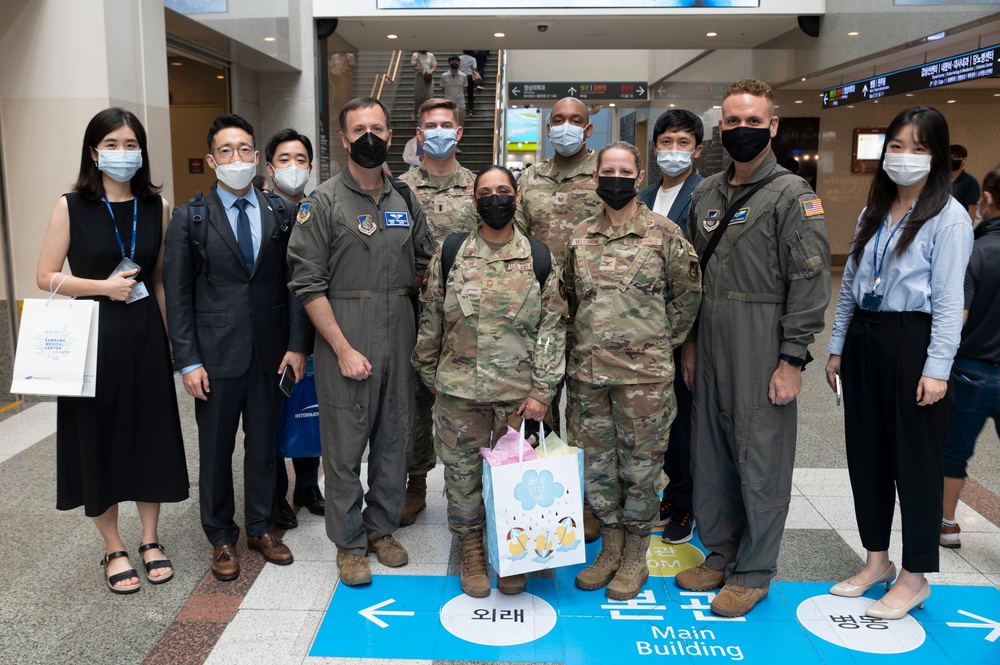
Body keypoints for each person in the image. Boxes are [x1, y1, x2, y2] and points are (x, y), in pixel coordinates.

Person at [675, 78, 831, 618]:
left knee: (760, 456)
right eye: (733, 122)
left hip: (762, 339)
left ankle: (755, 569)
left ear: (773, 125)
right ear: (721, 127)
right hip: (711, 337)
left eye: (753, 121)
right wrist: (691, 343)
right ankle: (720, 552)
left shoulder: (793, 196)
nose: (743, 130)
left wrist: (792, 359)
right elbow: (693, 276)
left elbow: (810, 284)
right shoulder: (707, 193)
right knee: (712, 450)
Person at [824, 106, 972, 620]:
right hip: (866, 337)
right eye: (897, 146)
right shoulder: (873, 213)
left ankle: (915, 578)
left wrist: (937, 369)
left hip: (915, 342)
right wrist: (838, 345)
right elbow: (849, 288)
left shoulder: (949, 219)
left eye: (919, 148)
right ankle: (877, 561)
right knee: (867, 457)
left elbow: (950, 303)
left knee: (915, 465)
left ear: (937, 156)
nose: (905, 157)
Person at [36, 107, 189, 594]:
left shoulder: (157, 207)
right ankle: (113, 546)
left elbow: (161, 279)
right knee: (96, 438)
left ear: (141, 151)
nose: (122, 154)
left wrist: (171, 343)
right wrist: (100, 287)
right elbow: (45, 276)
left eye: (130, 145)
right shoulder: (70, 206)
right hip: (91, 338)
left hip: (144, 336)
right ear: (93, 151)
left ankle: (149, 539)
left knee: (149, 436)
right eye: (112, 144)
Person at [287, 97, 435, 586]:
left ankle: (381, 530)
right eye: (359, 129)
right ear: (345, 139)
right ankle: (349, 544)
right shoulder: (322, 202)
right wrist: (344, 348)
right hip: (345, 330)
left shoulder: (405, 198)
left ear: (392, 136)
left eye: (377, 128)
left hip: (401, 327)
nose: (369, 136)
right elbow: (308, 284)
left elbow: (423, 260)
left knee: (395, 439)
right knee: (345, 447)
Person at [163, 113, 311, 582]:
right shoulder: (190, 217)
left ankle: (262, 527)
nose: (237, 158)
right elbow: (178, 293)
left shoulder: (280, 212)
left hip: (271, 354)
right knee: (216, 450)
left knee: (264, 447)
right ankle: (221, 537)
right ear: (211, 160)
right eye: (226, 151)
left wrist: (297, 346)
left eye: (245, 149)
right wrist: (187, 360)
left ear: (256, 158)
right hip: (215, 358)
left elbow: (294, 285)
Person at [412, 164, 567, 598]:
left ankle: (511, 551)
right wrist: (429, 373)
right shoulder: (452, 251)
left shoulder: (539, 256)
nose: (494, 198)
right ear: (474, 199)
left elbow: (552, 329)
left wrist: (542, 391)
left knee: (515, 480)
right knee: (462, 477)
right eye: (485, 191)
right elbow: (431, 316)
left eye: (503, 190)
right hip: (458, 392)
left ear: (516, 198)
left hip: (519, 398)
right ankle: (473, 549)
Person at [565, 141, 702, 601]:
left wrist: (660, 343)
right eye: (609, 170)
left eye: (626, 171)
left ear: (639, 178)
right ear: (596, 178)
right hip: (587, 378)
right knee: (598, 469)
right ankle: (610, 548)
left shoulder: (664, 234)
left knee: (641, 470)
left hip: (644, 381)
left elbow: (688, 297)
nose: (617, 178)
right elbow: (566, 298)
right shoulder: (580, 235)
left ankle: (636, 556)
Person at [514, 95, 604, 541]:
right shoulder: (530, 178)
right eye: (557, 120)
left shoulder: (604, 175)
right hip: (540, 316)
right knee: (538, 408)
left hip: (591, 316)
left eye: (575, 120)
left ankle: (586, 503)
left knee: (587, 416)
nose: (565, 126)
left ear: (589, 129)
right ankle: (542, 498)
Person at [397, 98, 479, 527]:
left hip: (468, 319)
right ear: (419, 134)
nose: (439, 131)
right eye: (431, 125)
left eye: (447, 124)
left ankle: (467, 486)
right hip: (414, 314)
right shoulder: (399, 188)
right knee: (414, 403)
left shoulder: (480, 187)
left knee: (466, 405)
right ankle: (415, 483)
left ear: (460, 132)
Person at [637, 109, 704, 544]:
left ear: (697, 150)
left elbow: (701, 276)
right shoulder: (642, 196)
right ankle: (669, 492)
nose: (674, 151)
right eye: (667, 142)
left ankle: (687, 503)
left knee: (684, 424)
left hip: (681, 333)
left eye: (683, 143)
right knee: (657, 422)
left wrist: (691, 341)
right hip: (642, 332)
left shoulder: (705, 196)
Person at [263, 128, 324, 529]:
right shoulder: (259, 212)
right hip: (269, 330)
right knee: (270, 416)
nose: (294, 167)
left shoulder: (317, 209)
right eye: (285, 159)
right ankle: (272, 495)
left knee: (308, 409)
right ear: (269, 168)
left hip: (313, 325)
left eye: (301, 160)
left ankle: (306, 486)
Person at [941, 167, 1000, 550]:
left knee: (954, 452)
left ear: (988, 199)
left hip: (972, 370)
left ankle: (947, 525)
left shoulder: (977, 253)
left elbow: (956, 318)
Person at [950, 144, 980, 220]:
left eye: (955, 158)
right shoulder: (942, 181)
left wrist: (968, 228)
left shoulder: (970, 182)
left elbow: (972, 208)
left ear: (964, 159)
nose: (951, 160)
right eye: (949, 158)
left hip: (960, 224)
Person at [440, 55, 468, 128]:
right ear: (449, 63)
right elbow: (443, 88)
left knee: (460, 124)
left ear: (459, 63)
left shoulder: (463, 76)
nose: (454, 63)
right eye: (452, 62)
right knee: (448, 124)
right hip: (448, 104)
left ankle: (458, 139)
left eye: (456, 62)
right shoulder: (444, 76)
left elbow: (464, 89)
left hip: (460, 104)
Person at [411, 50, 437, 120]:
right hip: (419, 77)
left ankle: (429, 113)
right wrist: (419, 68)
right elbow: (414, 66)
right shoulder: (415, 55)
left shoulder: (430, 55)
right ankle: (415, 112)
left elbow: (434, 67)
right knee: (418, 97)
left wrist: (430, 72)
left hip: (428, 77)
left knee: (429, 96)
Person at [458, 51, 477, 116]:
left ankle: (460, 107)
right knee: (470, 93)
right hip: (469, 76)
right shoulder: (473, 59)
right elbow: (475, 67)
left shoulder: (459, 58)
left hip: (460, 76)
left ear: (463, 51)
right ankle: (470, 109)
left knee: (460, 92)